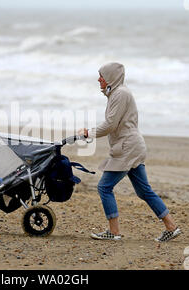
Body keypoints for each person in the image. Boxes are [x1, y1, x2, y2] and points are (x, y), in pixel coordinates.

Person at [78, 62, 182, 242]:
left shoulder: (120, 94)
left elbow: (110, 125)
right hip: (132, 146)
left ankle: (114, 232)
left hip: (128, 148)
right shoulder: (117, 93)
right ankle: (171, 227)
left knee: (104, 187)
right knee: (144, 191)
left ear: (110, 77)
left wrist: (89, 133)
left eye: (101, 75)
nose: (98, 79)